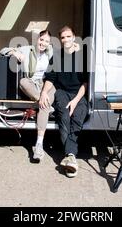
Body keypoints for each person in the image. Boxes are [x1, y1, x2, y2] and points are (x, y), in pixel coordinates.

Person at [38, 26, 88, 178]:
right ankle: (71, 156)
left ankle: (69, 156)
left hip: (78, 93)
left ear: (74, 37)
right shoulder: (57, 57)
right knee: (64, 117)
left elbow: (85, 83)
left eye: (68, 36)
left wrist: (75, 101)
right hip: (61, 92)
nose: (65, 40)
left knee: (79, 115)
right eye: (63, 37)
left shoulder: (83, 56)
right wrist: (44, 92)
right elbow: (51, 78)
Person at [0, 30, 53, 162]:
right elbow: (3, 50)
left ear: (49, 43)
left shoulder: (51, 52)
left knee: (45, 103)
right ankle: (45, 104)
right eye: (41, 39)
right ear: (37, 39)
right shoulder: (27, 49)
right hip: (32, 85)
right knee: (23, 82)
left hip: (46, 85)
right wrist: (14, 52)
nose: (43, 43)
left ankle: (38, 145)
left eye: (46, 41)